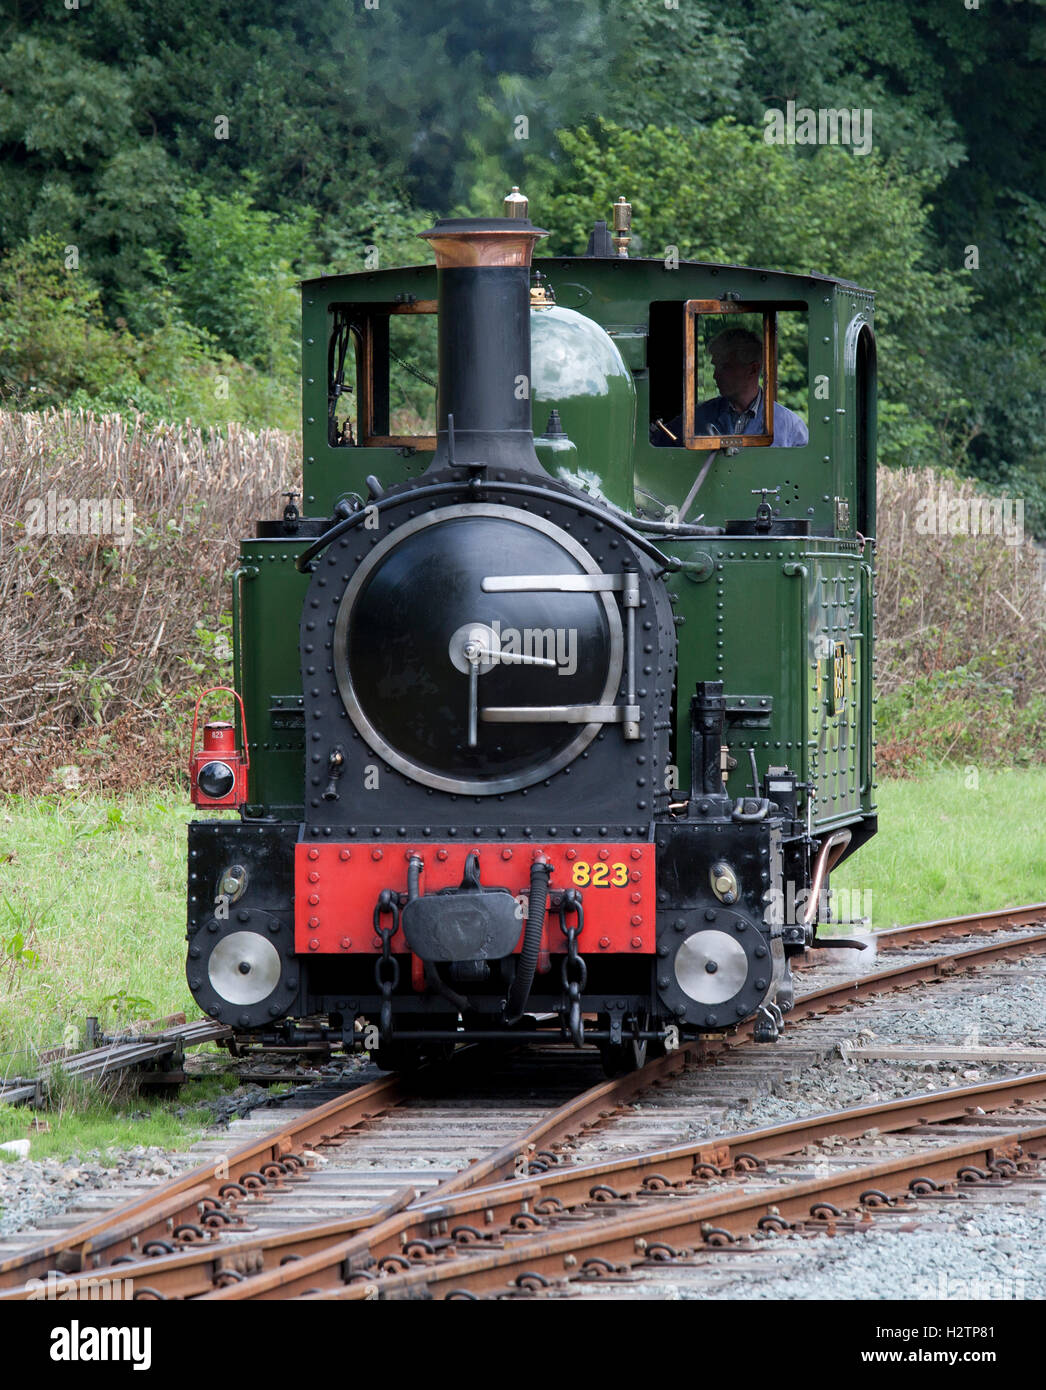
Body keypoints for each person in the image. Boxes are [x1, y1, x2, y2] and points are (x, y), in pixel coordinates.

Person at [651, 326, 808, 447]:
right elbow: (656, 448)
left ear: (753, 369)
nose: (715, 375)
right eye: (715, 367)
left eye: (725, 367)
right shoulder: (697, 417)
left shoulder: (791, 427)